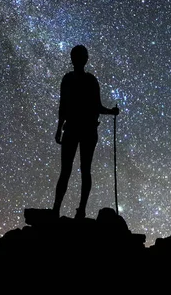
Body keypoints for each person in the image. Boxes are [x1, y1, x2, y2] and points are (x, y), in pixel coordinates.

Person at [53, 45, 118, 219]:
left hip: (77, 128)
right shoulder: (88, 80)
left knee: (70, 170)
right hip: (84, 128)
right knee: (81, 170)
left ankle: (61, 209)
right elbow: (94, 106)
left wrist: (59, 128)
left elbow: (64, 106)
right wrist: (110, 111)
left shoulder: (71, 79)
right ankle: (76, 209)